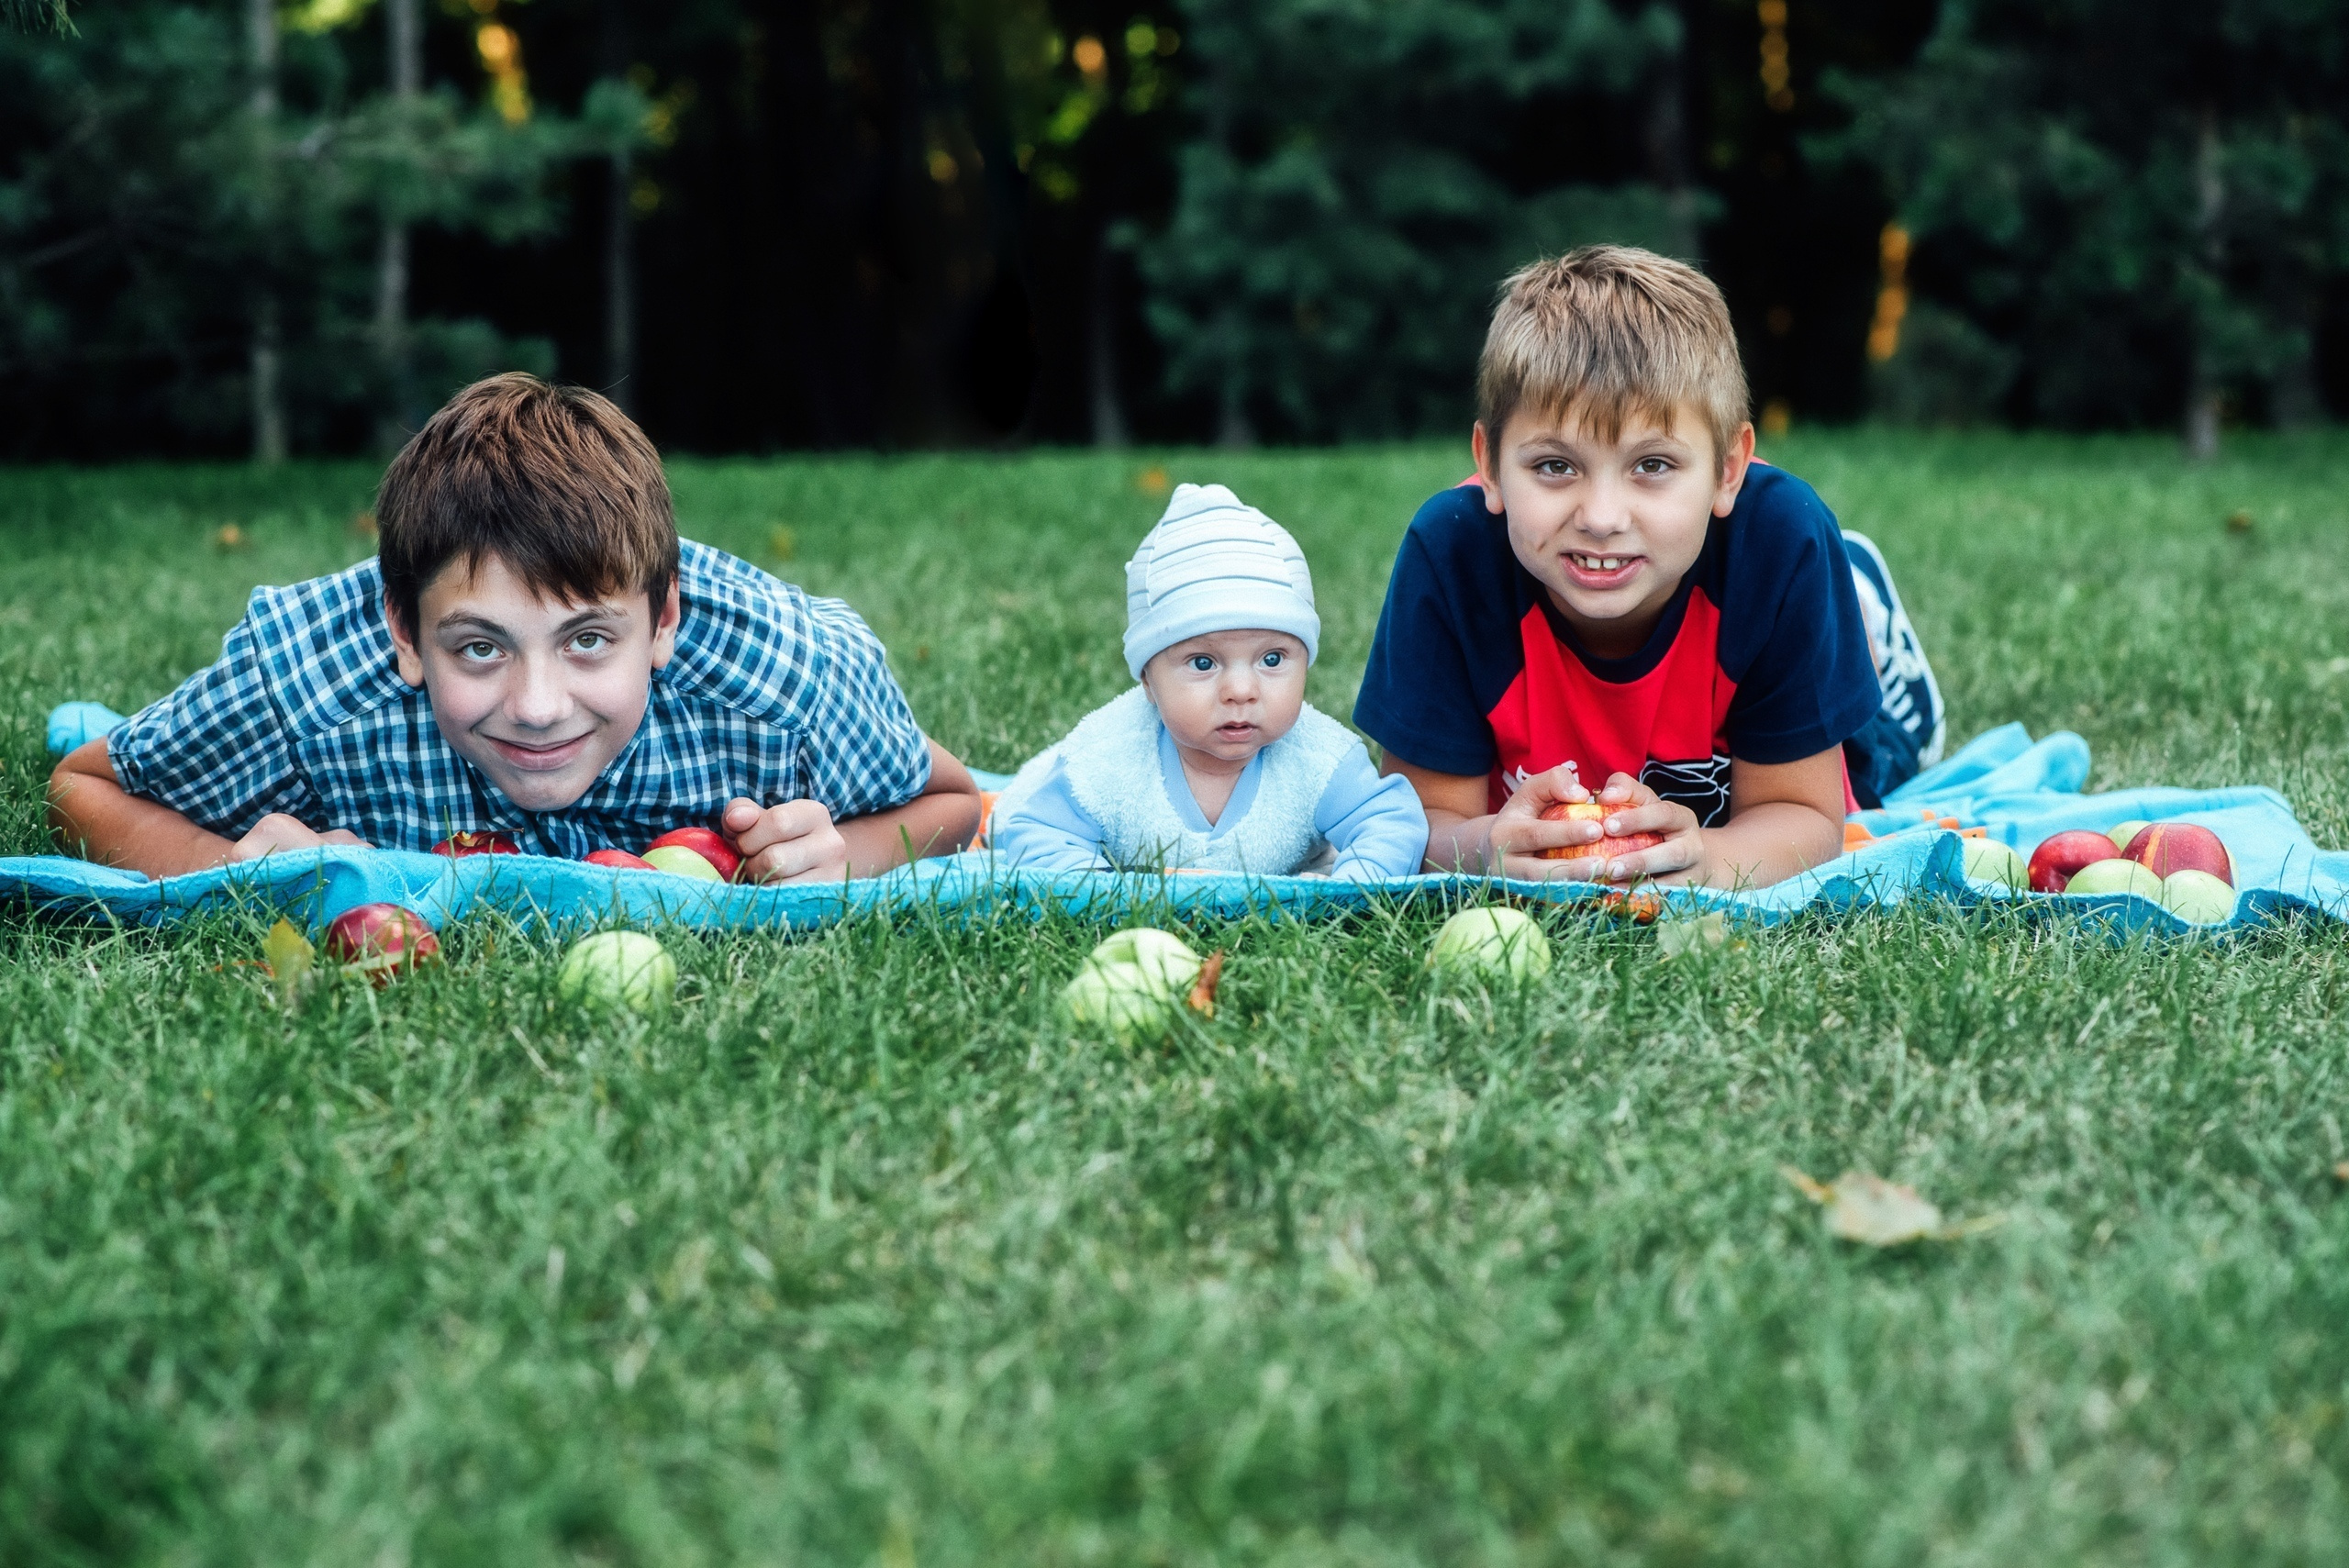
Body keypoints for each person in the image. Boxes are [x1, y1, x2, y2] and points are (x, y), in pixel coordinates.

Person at [47, 373, 982, 883]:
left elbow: (955, 801)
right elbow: (84, 785)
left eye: (587, 640)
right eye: (480, 647)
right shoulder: (309, 684)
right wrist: (231, 870)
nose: (537, 707)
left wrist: (840, 859)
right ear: (406, 637)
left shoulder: (786, 681)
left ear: (663, 620)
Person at [1353, 245, 1944, 888]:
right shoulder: (1453, 556)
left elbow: (1804, 817)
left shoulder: (1779, 546)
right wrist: (1486, 850)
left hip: (1777, 736)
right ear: (1490, 465)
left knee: (1876, 760)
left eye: (1652, 465)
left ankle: (1868, 624)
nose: (1603, 517)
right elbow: (1421, 823)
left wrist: (1706, 864)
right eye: (1555, 465)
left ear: (1727, 472)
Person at [989, 483, 1428, 879]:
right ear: (1147, 680)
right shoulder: (1107, 759)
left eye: (1272, 658)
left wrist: (1351, 890)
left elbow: (1389, 821)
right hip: (1064, 807)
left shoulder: (1318, 759)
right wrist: (1101, 893)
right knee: (1005, 810)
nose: (1241, 690)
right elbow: (1038, 830)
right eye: (1203, 663)